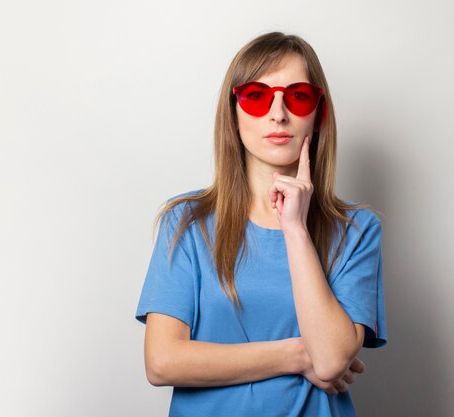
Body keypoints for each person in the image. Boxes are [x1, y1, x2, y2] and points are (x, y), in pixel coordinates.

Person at [134, 31, 387, 417]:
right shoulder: (187, 223)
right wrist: (297, 353)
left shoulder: (355, 230)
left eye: (298, 97)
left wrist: (296, 230)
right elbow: (162, 361)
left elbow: (333, 360)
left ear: (320, 114)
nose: (278, 113)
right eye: (257, 96)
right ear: (233, 114)